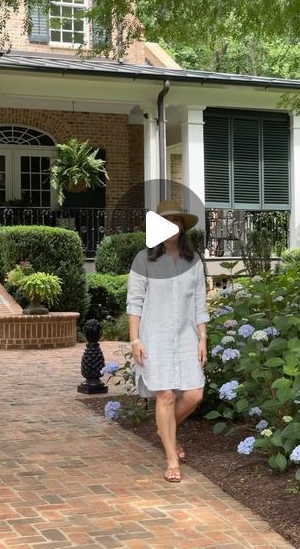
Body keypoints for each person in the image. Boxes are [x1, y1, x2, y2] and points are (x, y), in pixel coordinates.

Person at [126, 200, 210, 483]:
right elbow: (134, 303)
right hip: (155, 337)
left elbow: (200, 304)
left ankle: (165, 429)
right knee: (166, 395)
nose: (172, 226)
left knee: (195, 394)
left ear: (183, 226)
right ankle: (172, 459)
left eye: (176, 221)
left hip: (187, 336)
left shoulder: (193, 261)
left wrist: (202, 338)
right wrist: (135, 339)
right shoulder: (143, 260)